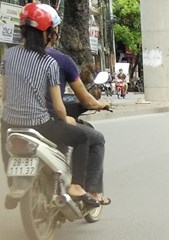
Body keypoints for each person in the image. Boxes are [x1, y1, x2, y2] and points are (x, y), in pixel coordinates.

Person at [0, 2, 91, 204]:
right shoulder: (49, 63)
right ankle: (76, 186)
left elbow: (4, 94)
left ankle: (13, 183)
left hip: (9, 123)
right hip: (40, 125)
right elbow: (58, 107)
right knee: (82, 138)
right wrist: (66, 118)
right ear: (48, 33)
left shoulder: (8, 55)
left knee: (6, 142)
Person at [43, 5, 111, 206]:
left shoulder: (13, 58)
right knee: (93, 138)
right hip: (47, 121)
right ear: (53, 33)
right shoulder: (58, 61)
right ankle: (89, 190)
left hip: (14, 122)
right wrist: (99, 105)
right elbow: (81, 101)